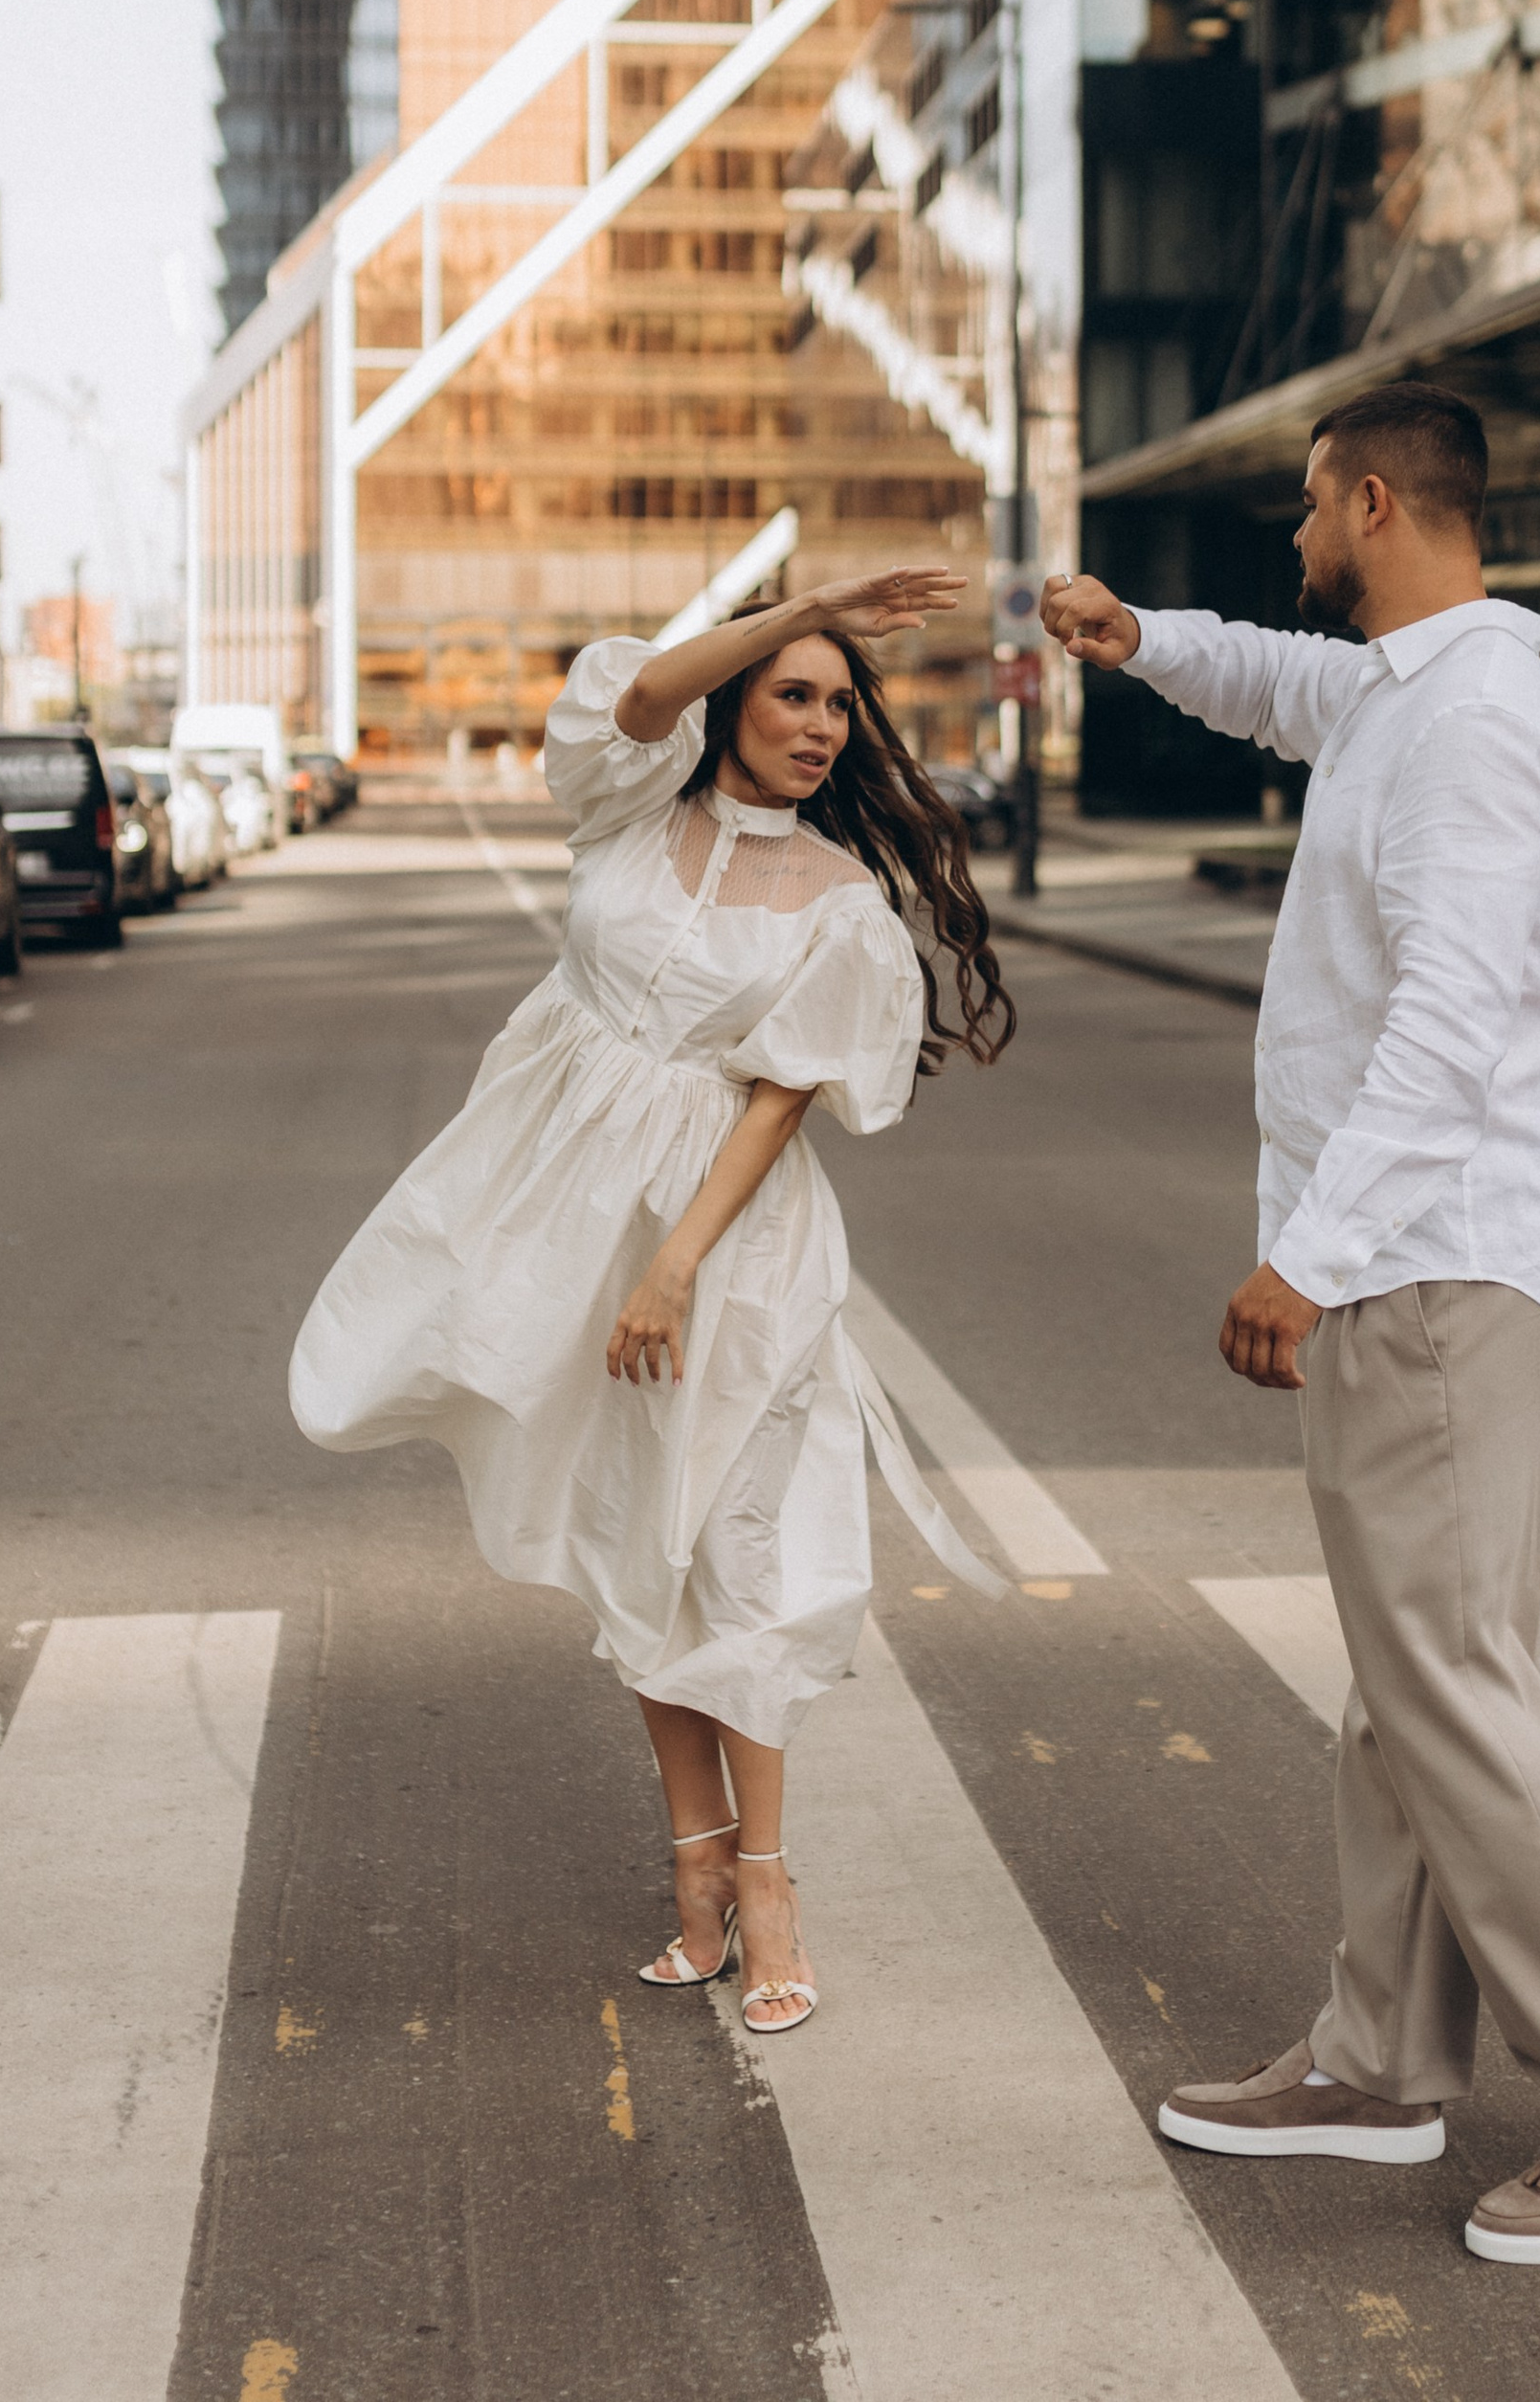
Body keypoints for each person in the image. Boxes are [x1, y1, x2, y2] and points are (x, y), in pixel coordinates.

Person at [1041, 386, 1540, 2267]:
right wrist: (1138, 640)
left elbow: (1446, 1023)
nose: (1287, 540)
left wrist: (1312, 1254)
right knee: (1409, 1690)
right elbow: (1274, 679)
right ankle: (1375, 2063)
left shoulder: (1472, 730)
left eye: (1298, 510)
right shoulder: (1401, 691)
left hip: (1430, 1269)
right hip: (1432, 1263)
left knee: (1451, 1691)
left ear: (1367, 499)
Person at [291, 570, 1013, 2037]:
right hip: (574, 1231)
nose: (821, 725)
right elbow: (634, 696)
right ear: (734, 695)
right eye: (792, 692)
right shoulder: (627, 808)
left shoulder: (841, 900)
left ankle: (769, 1885)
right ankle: (693, 1873)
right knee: (643, 1549)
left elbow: (779, 1099)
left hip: (730, 1249)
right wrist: (805, 602)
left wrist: (676, 1265)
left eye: (836, 701)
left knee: (737, 1550)